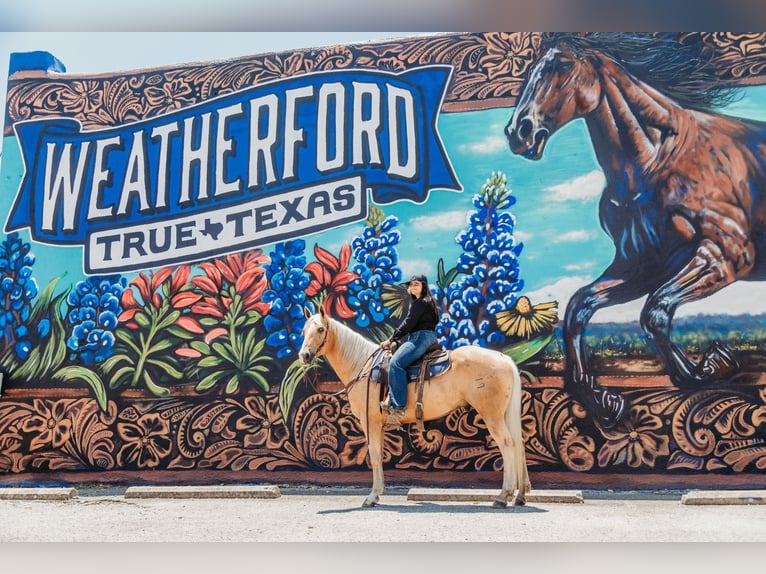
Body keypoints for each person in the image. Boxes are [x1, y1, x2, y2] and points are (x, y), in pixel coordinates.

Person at [380, 274, 440, 425]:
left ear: (424, 286)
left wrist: (392, 339)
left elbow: (409, 323)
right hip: (431, 337)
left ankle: (398, 407)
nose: (413, 287)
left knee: (395, 363)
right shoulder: (430, 302)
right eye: (411, 284)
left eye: (416, 284)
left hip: (419, 338)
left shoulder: (420, 303)